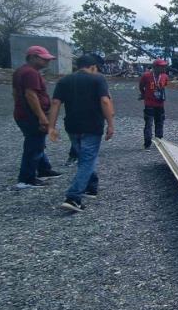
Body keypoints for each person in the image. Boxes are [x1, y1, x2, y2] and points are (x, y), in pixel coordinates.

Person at [47, 54, 115, 212]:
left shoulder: (64, 81)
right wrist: (110, 124)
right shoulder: (98, 79)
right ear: (92, 66)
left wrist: (51, 127)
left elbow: (56, 103)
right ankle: (73, 197)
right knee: (87, 161)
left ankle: (91, 187)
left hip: (72, 126)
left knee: (84, 158)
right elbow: (105, 101)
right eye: (97, 68)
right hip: (92, 126)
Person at [12, 45, 62, 189]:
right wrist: (41, 116)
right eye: (44, 59)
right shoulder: (30, 73)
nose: (47, 62)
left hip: (23, 114)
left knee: (37, 142)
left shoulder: (20, 71)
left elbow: (15, 93)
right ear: (33, 57)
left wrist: (19, 108)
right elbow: (31, 95)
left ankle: (44, 169)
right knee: (34, 145)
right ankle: (26, 178)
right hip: (32, 115)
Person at [138, 58, 168, 150]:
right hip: (149, 104)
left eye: (164, 66)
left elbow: (163, 87)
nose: (163, 68)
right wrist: (144, 95)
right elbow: (141, 86)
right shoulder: (146, 76)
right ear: (155, 67)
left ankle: (159, 143)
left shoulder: (165, 76)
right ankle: (147, 143)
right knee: (149, 124)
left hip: (160, 104)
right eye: (161, 66)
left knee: (160, 123)